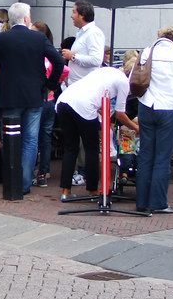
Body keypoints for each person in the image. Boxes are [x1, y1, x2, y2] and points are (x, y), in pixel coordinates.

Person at [0, 2, 65, 194]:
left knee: (9, 138)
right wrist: (51, 84)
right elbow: (58, 61)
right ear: (26, 19)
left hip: (9, 96)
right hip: (33, 95)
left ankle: (11, 179)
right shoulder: (39, 38)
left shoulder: (1, 39)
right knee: (31, 140)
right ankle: (24, 183)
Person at [55, 59, 139, 203]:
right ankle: (92, 189)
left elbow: (96, 91)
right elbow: (120, 114)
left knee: (70, 148)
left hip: (64, 101)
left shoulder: (109, 70)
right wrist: (136, 127)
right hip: (84, 106)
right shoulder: (124, 83)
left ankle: (66, 191)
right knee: (92, 149)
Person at [133, 26, 173, 215]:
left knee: (145, 154)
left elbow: (134, 78)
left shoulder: (145, 52)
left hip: (146, 106)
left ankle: (142, 201)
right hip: (168, 107)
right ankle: (158, 203)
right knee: (162, 157)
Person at [31, 21, 60, 188]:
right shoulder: (52, 53)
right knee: (46, 137)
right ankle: (43, 172)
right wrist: (53, 85)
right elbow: (64, 70)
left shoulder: (39, 55)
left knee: (33, 137)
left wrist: (49, 85)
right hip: (50, 101)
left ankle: (32, 170)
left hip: (39, 100)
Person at [62, 0, 105, 85]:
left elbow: (96, 60)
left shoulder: (93, 33)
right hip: (76, 85)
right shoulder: (83, 32)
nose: (71, 16)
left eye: (74, 12)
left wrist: (73, 56)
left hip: (85, 86)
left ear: (82, 15)